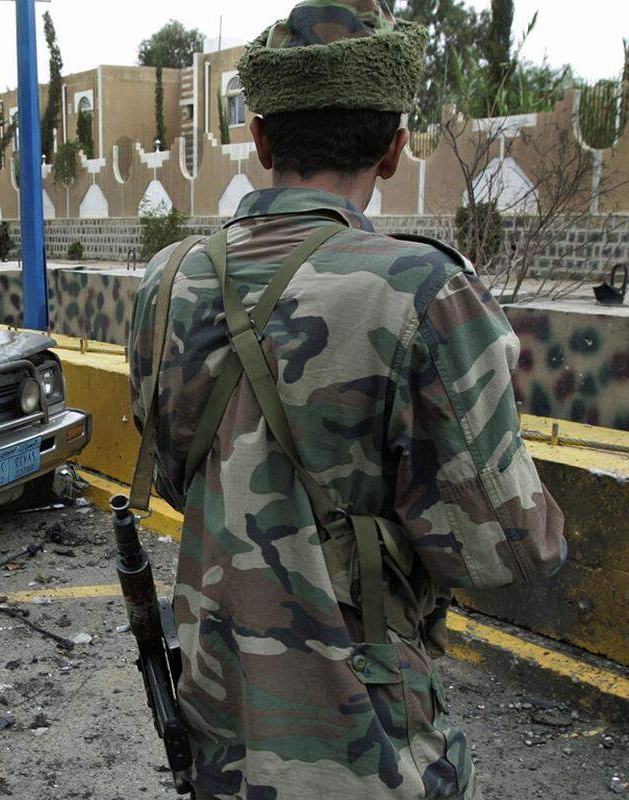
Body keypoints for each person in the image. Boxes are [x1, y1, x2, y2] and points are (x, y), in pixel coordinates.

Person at [127, 2, 567, 798]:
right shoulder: (424, 292)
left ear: (260, 139)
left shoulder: (166, 281)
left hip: (217, 734)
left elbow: (174, 477)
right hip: (369, 755)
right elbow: (504, 549)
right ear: (396, 150)